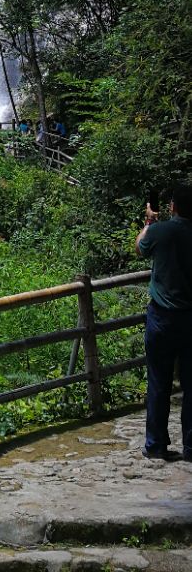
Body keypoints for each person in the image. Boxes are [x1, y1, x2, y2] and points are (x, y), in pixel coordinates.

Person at [136, 183, 192, 460]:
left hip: (162, 317)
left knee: (159, 382)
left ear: (173, 206)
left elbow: (140, 247)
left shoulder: (162, 230)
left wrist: (149, 221)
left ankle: (156, 444)